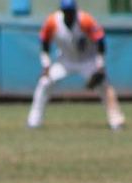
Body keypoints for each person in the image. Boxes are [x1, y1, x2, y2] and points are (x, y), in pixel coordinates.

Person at [26, 0, 126, 130]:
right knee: (45, 82)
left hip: (87, 60)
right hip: (65, 61)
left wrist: (100, 65)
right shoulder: (53, 21)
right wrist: (46, 65)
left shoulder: (85, 20)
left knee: (103, 85)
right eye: (66, 11)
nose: (68, 14)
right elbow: (44, 42)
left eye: (71, 11)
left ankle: (116, 121)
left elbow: (100, 40)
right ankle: (34, 121)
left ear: (75, 10)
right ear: (61, 11)